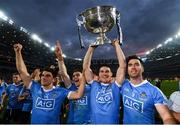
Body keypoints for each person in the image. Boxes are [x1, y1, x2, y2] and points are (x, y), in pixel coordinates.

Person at [14, 42, 85, 124]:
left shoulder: (61, 91)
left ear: (54, 79)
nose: (44, 77)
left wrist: (60, 58)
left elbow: (78, 95)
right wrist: (18, 52)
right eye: (43, 75)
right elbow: (22, 71)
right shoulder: (35, 87)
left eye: (48, 76)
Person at [121, 55, 175, 124]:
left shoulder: (154, 91)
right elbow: (121, 67)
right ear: (127, 69)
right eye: (130, 65)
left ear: (142, 69)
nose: (133, 67)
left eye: (137, 64)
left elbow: (167, 117)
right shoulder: (124, 85)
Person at [83, 39, 126, 124]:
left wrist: (117, 46)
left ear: (111, 74)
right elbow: (86, 67)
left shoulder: (116, 85)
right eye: (102, 71)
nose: (104, 73)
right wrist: (90, 49)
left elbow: (122, 66)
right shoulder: (94, 84)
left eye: (107, 71)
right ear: (98, 74)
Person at [56, 41, 91, 124]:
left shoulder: (91, 88)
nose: (75, 77)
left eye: (77, 75)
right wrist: (60, 58)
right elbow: (64, 74)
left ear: (83, 76)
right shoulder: (71, 88)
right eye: (73, 76)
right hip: (72, 122)